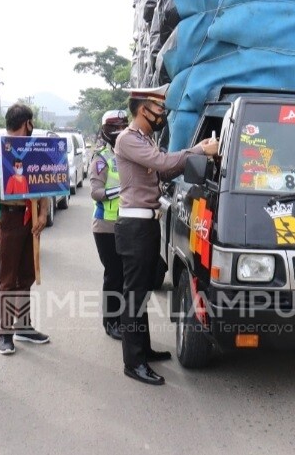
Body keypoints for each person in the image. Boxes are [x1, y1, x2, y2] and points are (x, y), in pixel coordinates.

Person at [114, 85, 219, 385]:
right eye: (158, 108)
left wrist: (194, 160)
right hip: (134, 226)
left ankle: (142, 350)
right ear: (142, 109)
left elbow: (163, 172)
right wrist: (198, 150)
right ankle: (133, 362)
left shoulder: (144, 140)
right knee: (133, 295)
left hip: (145, 224)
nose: (162, 113)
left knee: (143, 291)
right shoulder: (128, 139)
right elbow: (161, 163)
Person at [0, 103, 51, 355]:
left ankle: (23, 326)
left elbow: (46, 181)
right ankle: (5, 333)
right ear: (27, 123)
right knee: (8, 279)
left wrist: (42, 211)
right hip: (8, 218)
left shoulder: (34, 150)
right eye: (31, 123)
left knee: (26, 275)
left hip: (30, 219)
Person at [90, 109, 129, 341]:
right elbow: (95, 192)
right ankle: (111, 322)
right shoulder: (101, 159)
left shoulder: (128, 153)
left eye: (123, 126)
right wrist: (122, 191)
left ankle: (122, 318)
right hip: (105, 226)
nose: (120, 131)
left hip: (127, 224)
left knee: (125, 276)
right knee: (113, 275)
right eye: (115, 127)